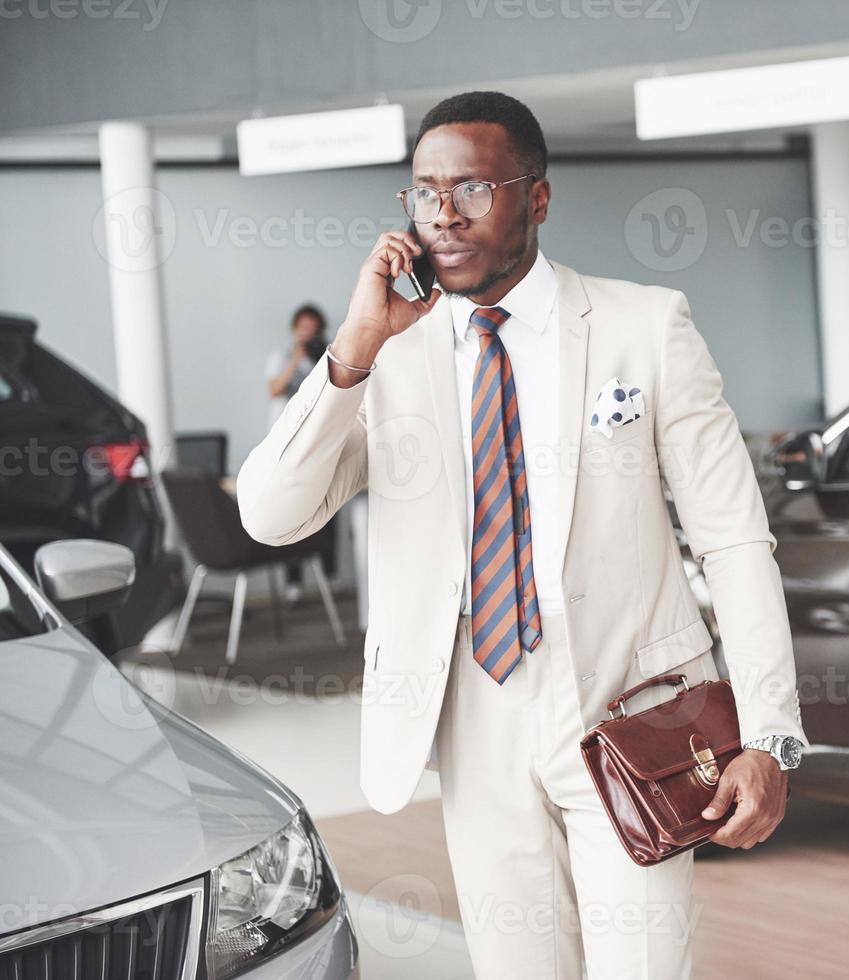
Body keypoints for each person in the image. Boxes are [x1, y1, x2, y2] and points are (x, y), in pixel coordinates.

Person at [235, 91, 807, 978]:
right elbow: (269, 514)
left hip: (633, 706)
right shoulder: (386, 355)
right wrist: (351, 348)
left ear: (536, 198)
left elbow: (733, 541)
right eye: (424, 194)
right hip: (472, 711)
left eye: (471, 189)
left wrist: (769, 735)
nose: (443, 217)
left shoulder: (643, 328)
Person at [263, 304, 336, 603]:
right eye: (303, 327)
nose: (308, 333)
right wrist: (296, 358)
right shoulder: (281, 357)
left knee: (328, 507)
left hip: (319, 442)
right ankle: (293, 584)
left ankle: (329, 577)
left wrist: (319, 358)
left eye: (313, 328)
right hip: (284, 446)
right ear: (295, 329)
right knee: (292, 510)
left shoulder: (326, 355)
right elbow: (274, 389)